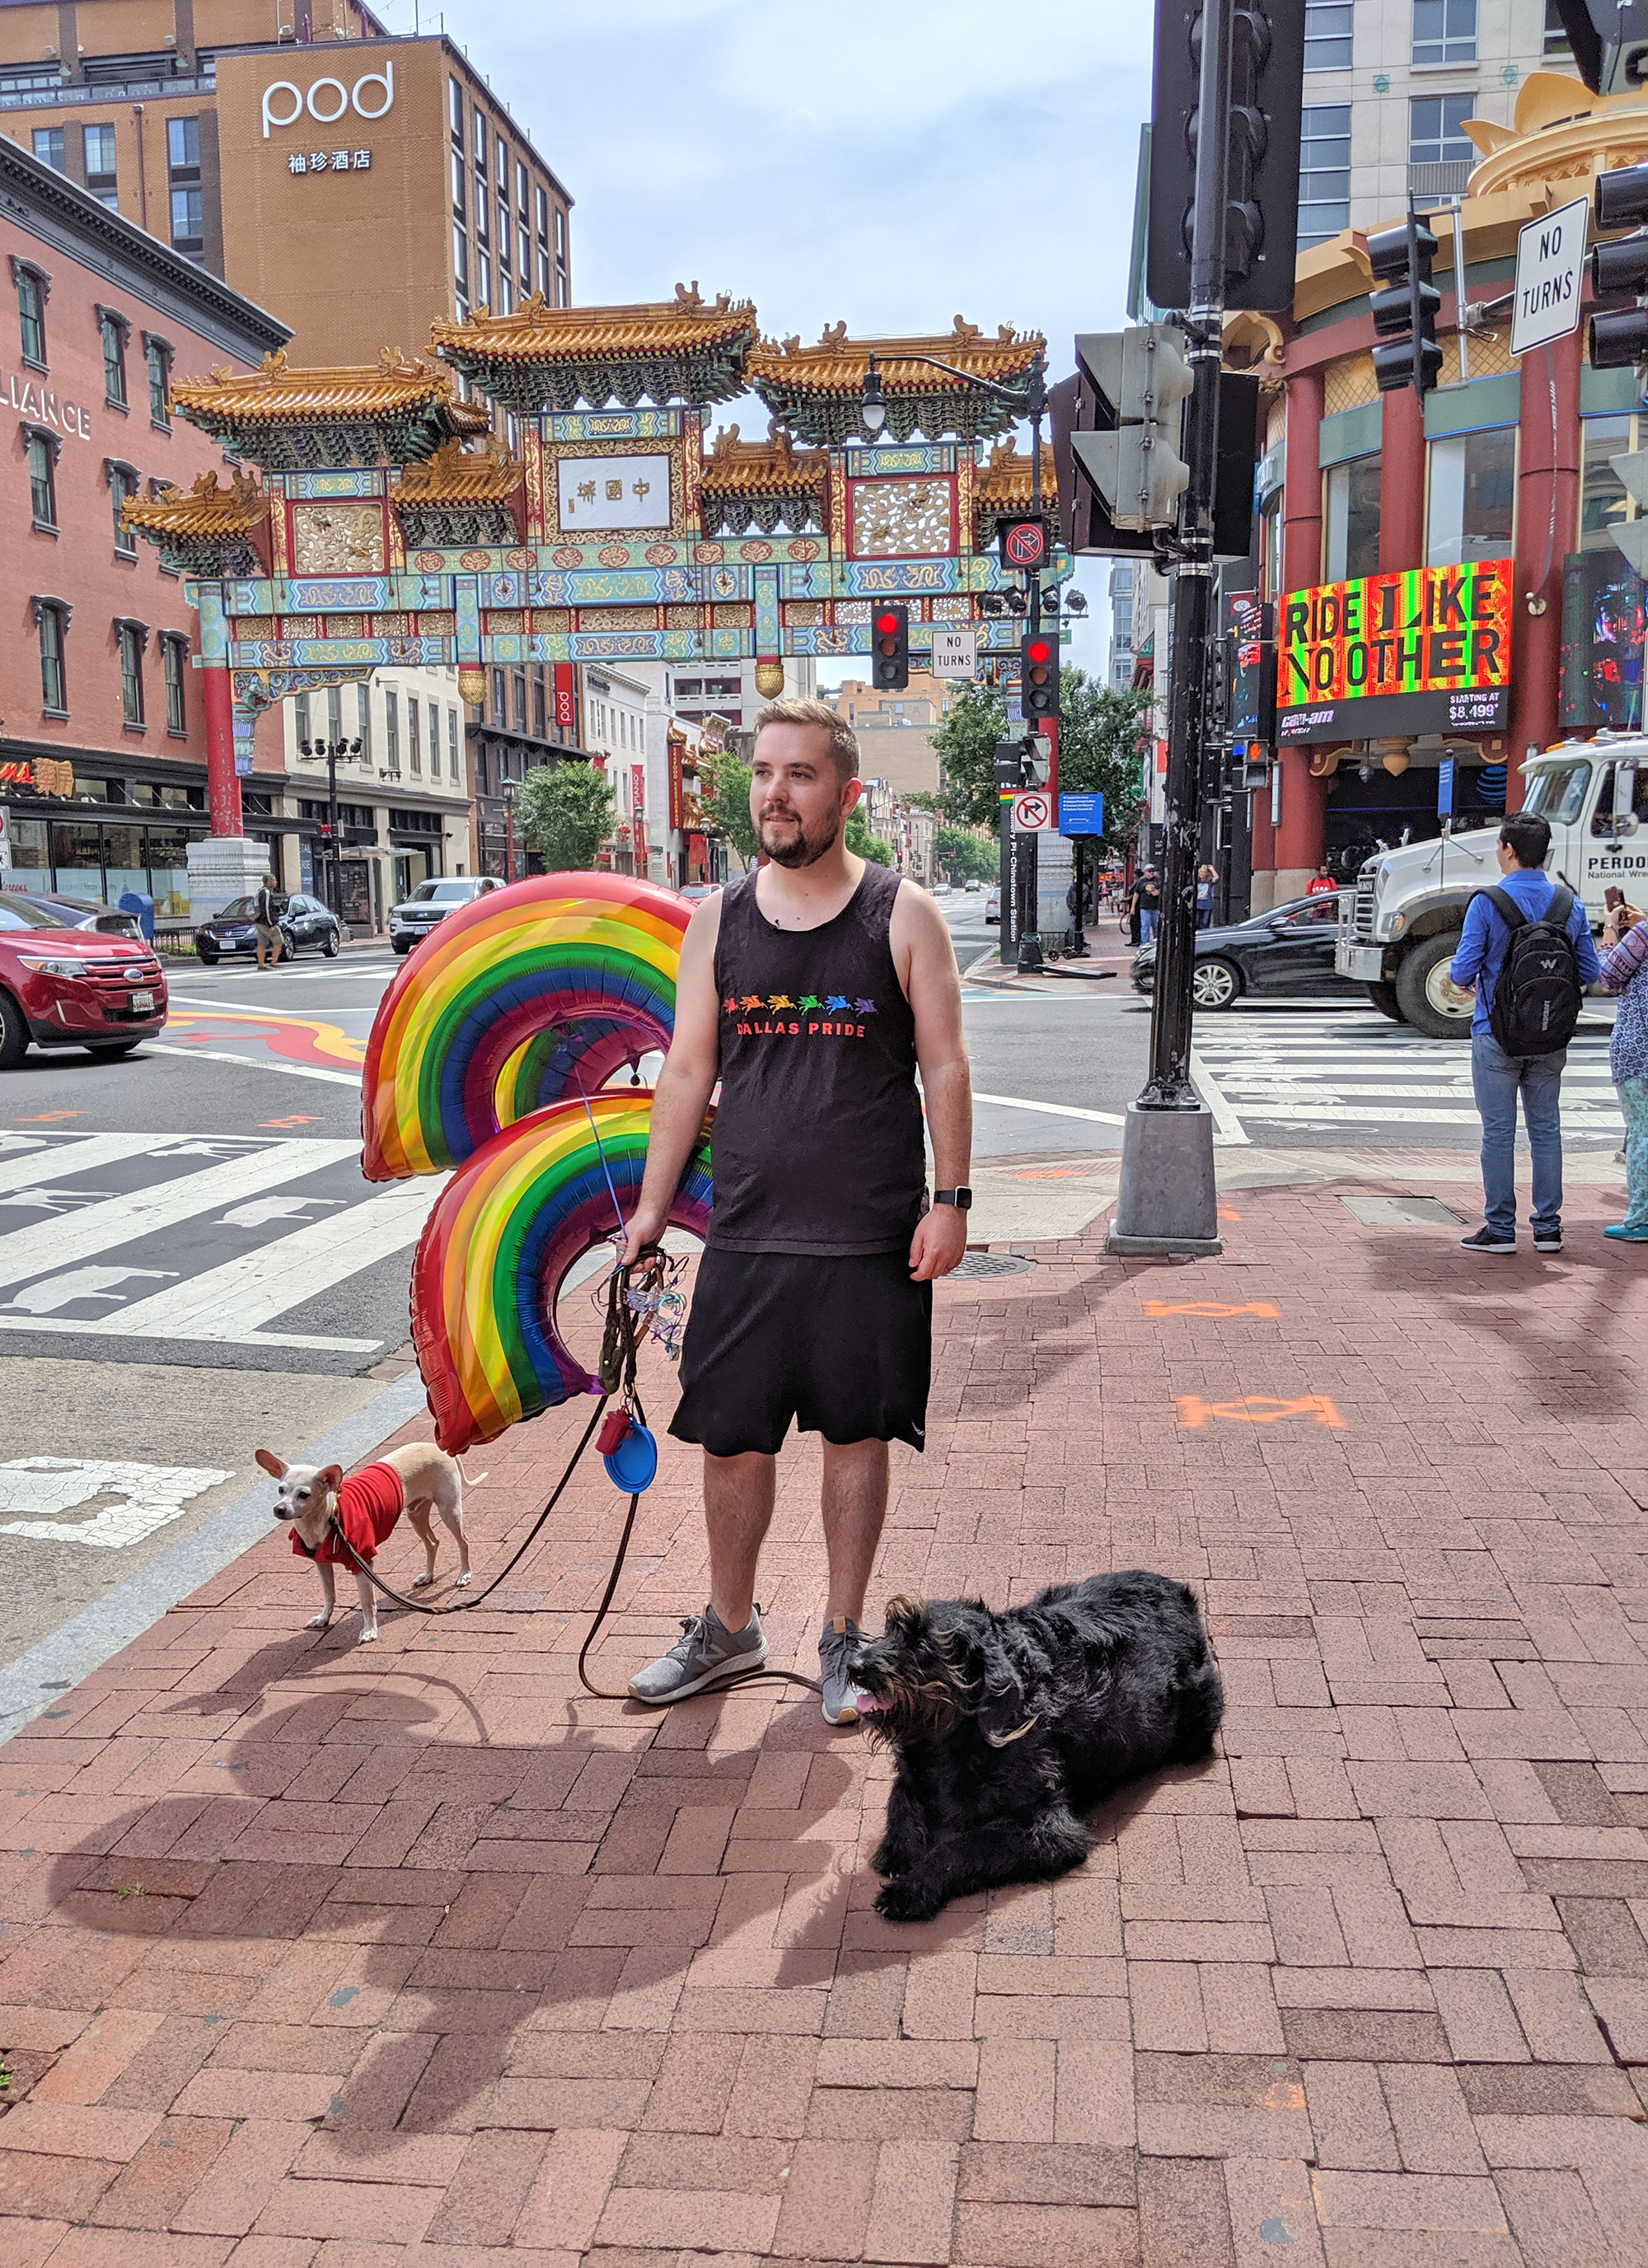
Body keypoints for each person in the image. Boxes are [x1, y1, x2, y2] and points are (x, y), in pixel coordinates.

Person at [620, 697, 973, 1723]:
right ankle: (729, 1628)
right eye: (764, 772)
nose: (775, 792)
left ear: (844, 792)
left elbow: (945, 1063)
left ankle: (844, 1635)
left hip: (869, 1230)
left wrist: (948, 1201)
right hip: (748, 1226)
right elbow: (688, 1069)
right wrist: (650, 1209)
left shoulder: (902, 914)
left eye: (800, 774)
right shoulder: (718, 919)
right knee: (731, 1438)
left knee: (855, 1437)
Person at [1449, 811, 1599, 1256]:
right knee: (1546, 1129)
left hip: (1495, 1033)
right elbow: (1591, 971)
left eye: (1499, 846)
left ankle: (1500, 1229)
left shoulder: (1487, 902)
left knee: (1499, 1132)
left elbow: (1461, 971)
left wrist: (1474, 979)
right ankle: (1548, 1229)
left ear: (1509, 850)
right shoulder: (1568, 905)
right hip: (1551, 1034)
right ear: (1545, 853)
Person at [1598, 895, 1648, 1241]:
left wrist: (1610, 930)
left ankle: (1640, 1217)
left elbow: (1607, 977)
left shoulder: (1642, 934)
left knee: (1642, 1132)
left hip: (1638, 1049)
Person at [252, 874, 285, 970]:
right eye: (274, 880)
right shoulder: (266, 892)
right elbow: (266, 909)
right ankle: (274, 961)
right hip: (265, 922)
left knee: (262, 942)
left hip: (258, 921)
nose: (276, 882)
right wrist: (270, 924)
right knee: (279, 940)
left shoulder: (260, 891)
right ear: (269, 881)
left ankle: (261, 964)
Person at [1138, 866, 1162, 945]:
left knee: (1156, 926)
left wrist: (1156, 891)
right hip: (1145, 907)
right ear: (1145, 872)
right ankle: (1144, 943)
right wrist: (1132, 907)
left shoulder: (1158, 880)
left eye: (1153, 871)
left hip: (1155, 907)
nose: (1152, 872)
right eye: (1150, 871)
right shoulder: (1142, 881)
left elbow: (1160, 891)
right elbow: (1137, 893)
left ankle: (1157, 942)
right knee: (1145, 925)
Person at [1196, 863, 1217, 928]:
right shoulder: (1197, 882)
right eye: (1201, 872)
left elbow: (1216, 877)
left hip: (1207, 905)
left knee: (1205, 922)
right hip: (1198, 904)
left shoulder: (1209, 882)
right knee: (1197, 922)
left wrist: (1212, 869)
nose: (1202, 874)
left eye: (1204, 872)